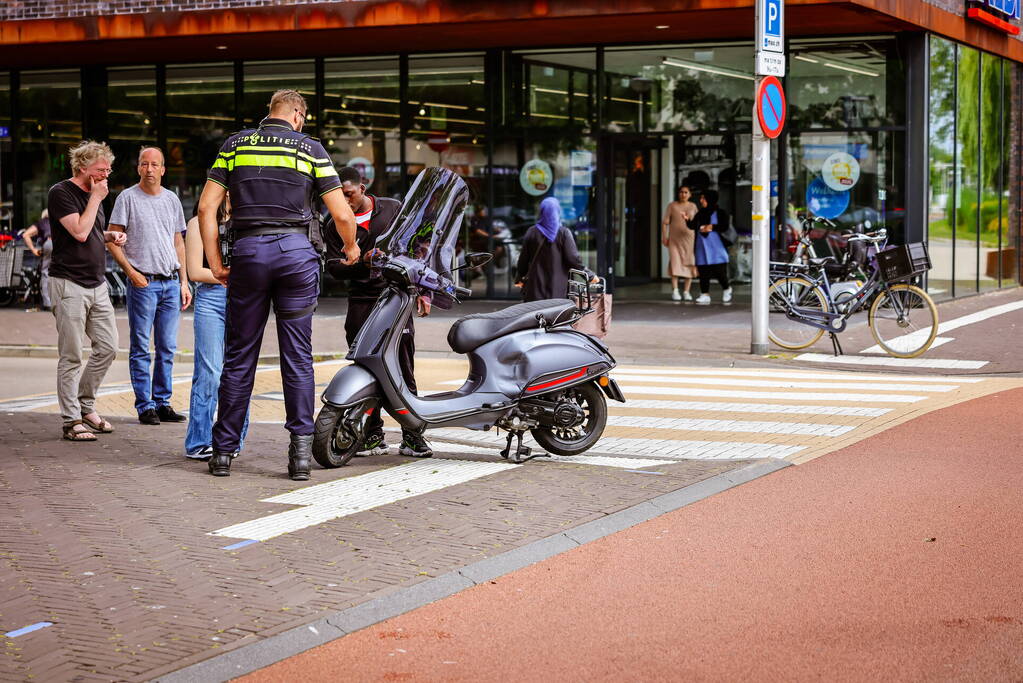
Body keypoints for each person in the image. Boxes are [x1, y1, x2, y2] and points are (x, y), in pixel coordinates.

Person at [198, 88, 359, 480]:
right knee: (297, 357)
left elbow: (206, 207)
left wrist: (216, 263)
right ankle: (300, 456)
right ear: (298, 115)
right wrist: (351, 248)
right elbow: (341, 213)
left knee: (239, 356)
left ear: (269, 112)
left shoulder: (236, 145)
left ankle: (223, 453)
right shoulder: (309, 148)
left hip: (249, 253)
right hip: (295, 254)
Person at [324, 166, 433, 458]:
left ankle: (413, 436)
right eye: (340, 196)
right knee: (365, 369)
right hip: (360, 303)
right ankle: (372, 436)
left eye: (348, 195)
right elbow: (333, 268)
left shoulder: (392, 209)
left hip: (396, 299)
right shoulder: (332, 221)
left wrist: (423, 290)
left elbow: (417, 247)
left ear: (362, 188)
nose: (344, 202)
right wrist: (361, 263)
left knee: (403, 367)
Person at [47, 140, 127, 442]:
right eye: (100, 169)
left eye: (108, 168)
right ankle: (71, 420)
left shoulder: (98, 192)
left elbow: (90, 229)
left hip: (97, 282)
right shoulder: (62, 193)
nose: (106, 174)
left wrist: (109, 235)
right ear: (82, 167)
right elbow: (78, 232)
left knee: (108, 347)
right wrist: (95, 198)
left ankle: (85, 405)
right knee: (71, 355)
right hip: (69, 283)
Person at [108, 147, 192, 426]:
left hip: (170, 283)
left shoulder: (172, 200)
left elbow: (178, 241)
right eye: (144, 164)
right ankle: (145, 406)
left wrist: (184, 280)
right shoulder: (127, 198)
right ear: (138, 168)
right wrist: (131, 273)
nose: (150, 169)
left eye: (155, 164)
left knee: (167, 348)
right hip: (143, 283)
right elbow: (112, 239)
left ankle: (163, 402)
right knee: (141, 347)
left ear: (163, 169)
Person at [183, 197, 249, 460]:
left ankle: (232, 440)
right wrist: (238, 275)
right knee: (209, 372)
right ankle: (199, 442)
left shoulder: (248, 223)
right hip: (211, 298)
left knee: (240, 371)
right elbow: (195, 272)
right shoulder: (197, 223)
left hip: (244, 300)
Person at [515, 196, 590, 302]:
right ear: (557, 212)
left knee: (536, 317)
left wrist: (519, 277)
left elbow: (523, 260)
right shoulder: (563, 233)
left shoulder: (532, 232)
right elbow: (573, 259)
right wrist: (589, 275)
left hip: (535, 290)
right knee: (557, 318)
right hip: (559, 291)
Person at [692, 189, 733, 305]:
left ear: (710, 199)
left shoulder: (721, 212)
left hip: (716, 246)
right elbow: (692, 226)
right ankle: (704, 294)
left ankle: (726, 289)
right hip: (702, 246)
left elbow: (725, 226)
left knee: (719, 271)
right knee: (703, 271)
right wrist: (686, 220)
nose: (701, 200)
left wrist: (712, 227)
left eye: (703, 198)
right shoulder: (700, 213)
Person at [661, 185, 698, 302]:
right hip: (674, 240)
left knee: (689, 263)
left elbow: (697, 223)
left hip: (689, 239)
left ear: (690, 194)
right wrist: (664, 237)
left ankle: (687, 291)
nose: (683, 194)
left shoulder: (693, 206)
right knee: (675, 263)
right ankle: (675, 290)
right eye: (681, 192)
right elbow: (665, 223)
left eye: (686, 192)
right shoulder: (672, 206)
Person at [21, 209, 53, 310]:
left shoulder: (42, 222)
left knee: (45, 272)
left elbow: (25, 235)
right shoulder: (58, 220)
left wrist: (34, 250)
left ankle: (48, 303)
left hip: (49, 243)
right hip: (63, 245)